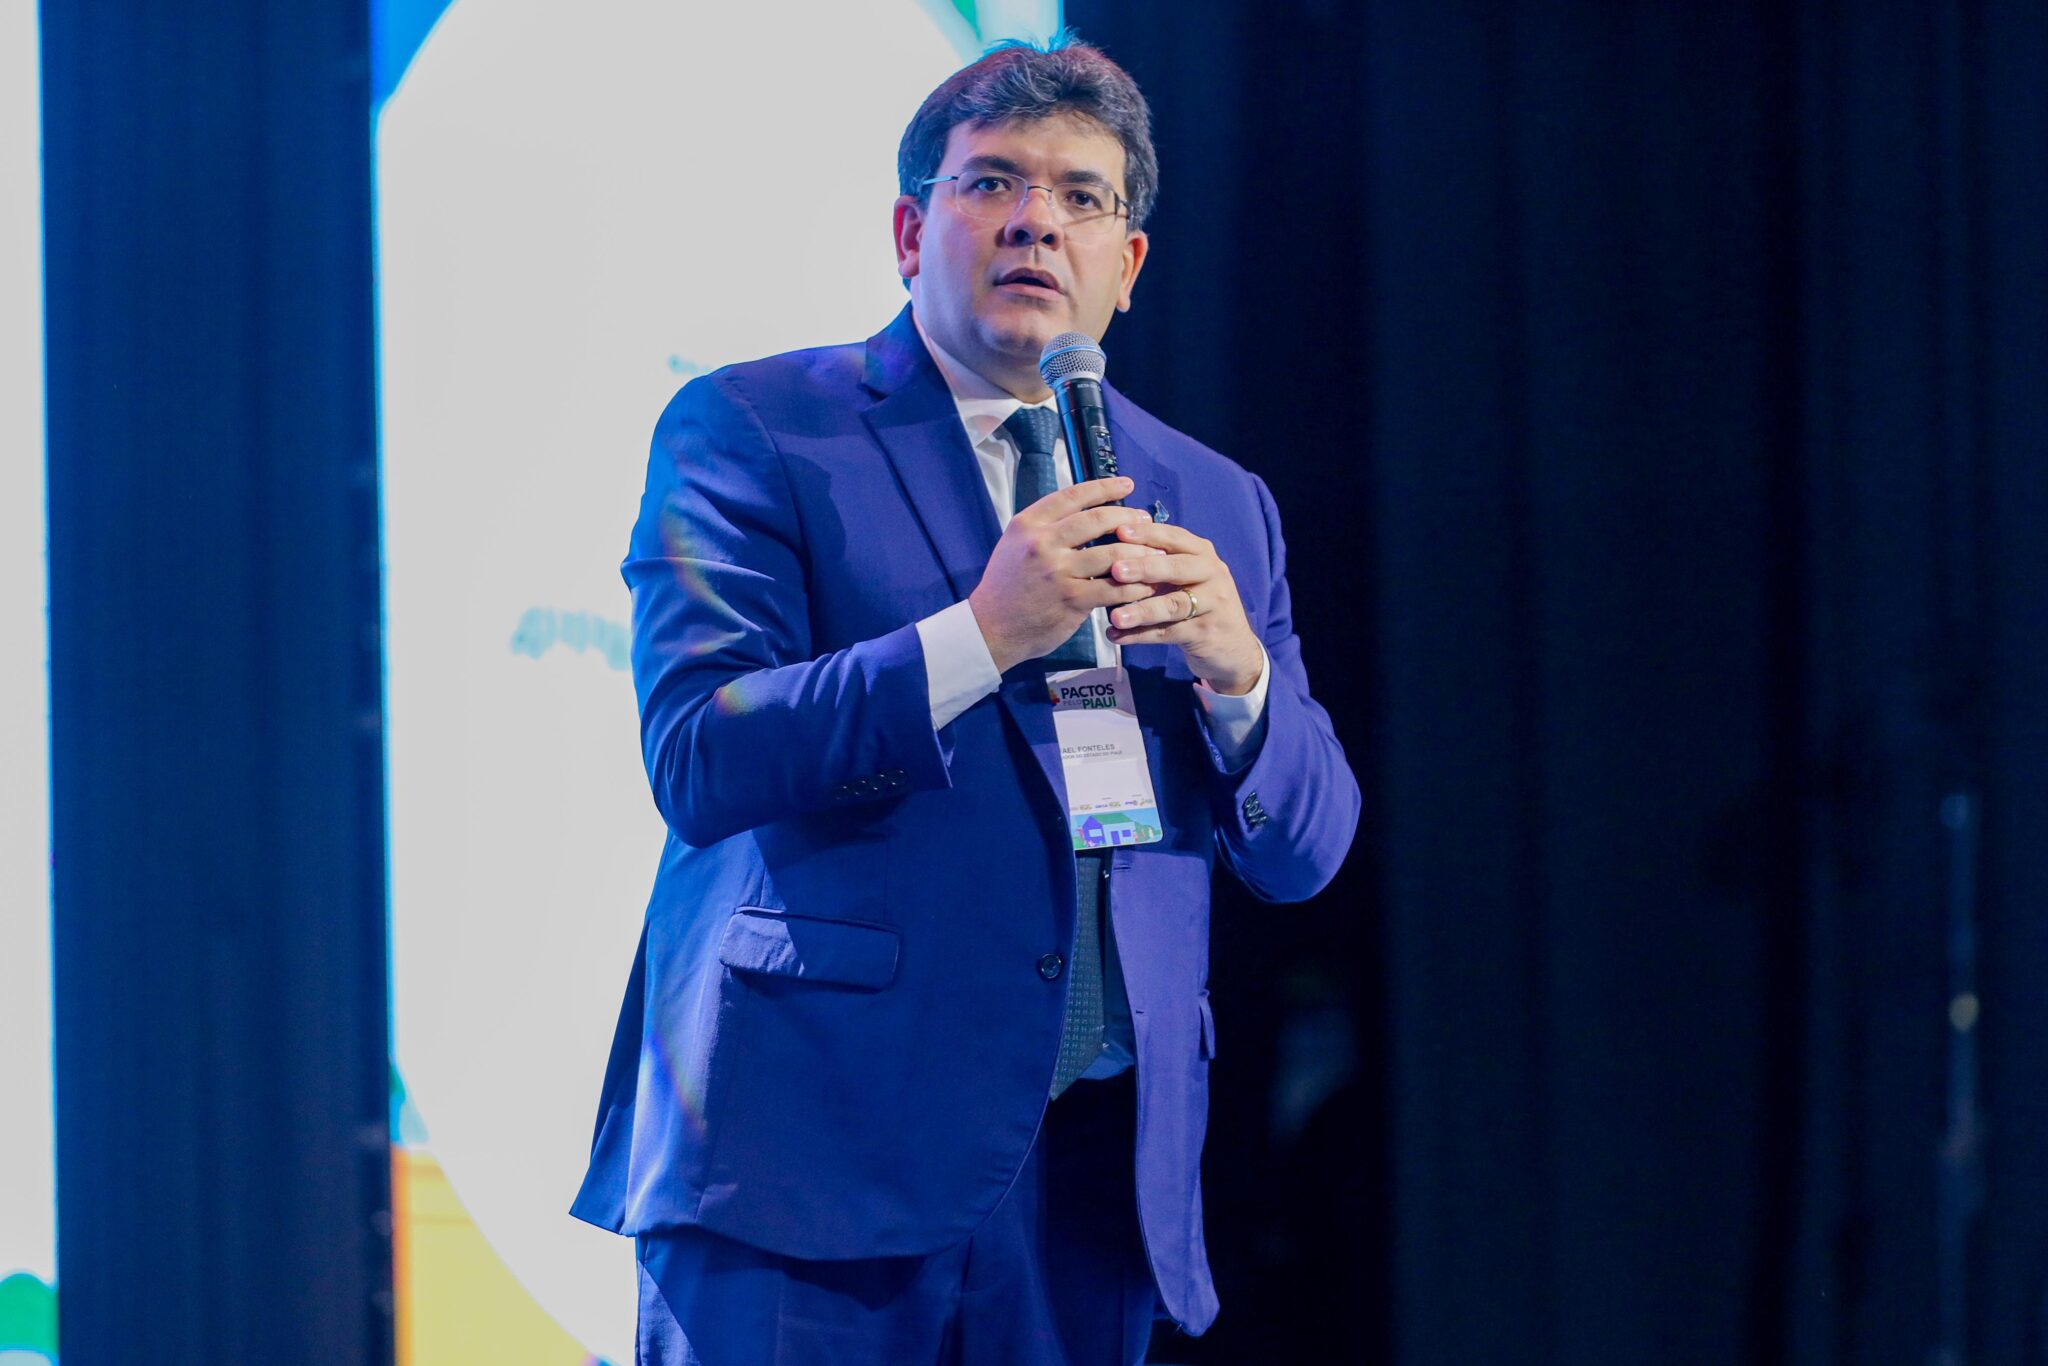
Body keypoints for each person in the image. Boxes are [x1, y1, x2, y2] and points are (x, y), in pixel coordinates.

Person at [571, 34, 1359, 1365]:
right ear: (908, 232)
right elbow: (703, 752)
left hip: (1089, 1181)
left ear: (1128, 265)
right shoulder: (758, 428)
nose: (1036, 220)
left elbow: (1307, 848)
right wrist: (983, 635)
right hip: (810, 1153)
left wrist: (1240, 678)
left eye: (1081, 196)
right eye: (993, 182)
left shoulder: (1216, 499)